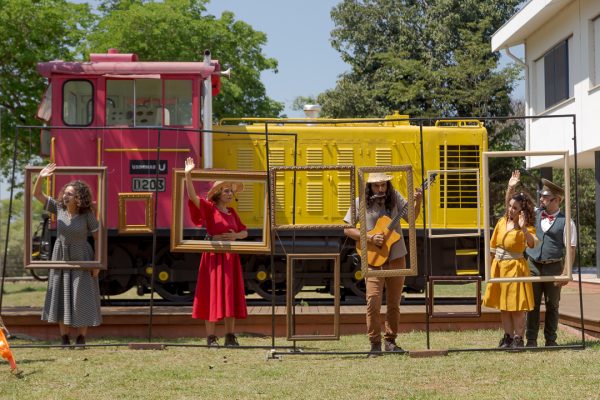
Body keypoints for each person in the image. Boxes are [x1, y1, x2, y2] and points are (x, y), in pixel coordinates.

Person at [343, 172, 422, 357]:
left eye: (383, 185)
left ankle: (391, 341)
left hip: (396, 257)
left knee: (394, 303)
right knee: (373, 302)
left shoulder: (396, 199)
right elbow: (347, 228)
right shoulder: (359, 202)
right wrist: (369, 237)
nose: (380, 189)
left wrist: (417, 201)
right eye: (376, 186)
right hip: (373, 260)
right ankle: (375, 344)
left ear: (388, 186)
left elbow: (411, 219)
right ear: (369, 187)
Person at [33, 163, 102, 348]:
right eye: (66, 192)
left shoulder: (87, 214)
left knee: (82, 295)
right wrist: (41, 176)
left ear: (79, 197)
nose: (65, 195)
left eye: (70, 193)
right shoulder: (59, 208)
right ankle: (64, 338)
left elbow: (98, 237)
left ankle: (81, 338)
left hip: (82, 255)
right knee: (61, 294)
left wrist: (97, 263)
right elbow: (37, 195)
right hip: (61, 254)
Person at [507, 171, 577, 347]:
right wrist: (512, 187)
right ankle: (531, 340)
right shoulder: (535, 214)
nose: (541, 200)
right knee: (532, 304)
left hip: (554, 267)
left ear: (557, 200)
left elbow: (571, 248)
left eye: (546, 198)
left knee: (552, 304)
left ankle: (550, 340)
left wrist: (566, 272)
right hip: (533, 265)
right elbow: (512, 206)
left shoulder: (567, 221)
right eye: (542, 197)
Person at [184, 157, 248, 347]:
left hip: (230, 258)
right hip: (213, 256)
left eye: (231, 191)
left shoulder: (232, 212)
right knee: (211, 294)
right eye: (226, 190)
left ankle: (230, 336)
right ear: (218, 194)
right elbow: (193, 198)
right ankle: (211, 338)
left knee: (230, 294)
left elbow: (245, 231)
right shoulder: (210, 209)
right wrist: (188, 175)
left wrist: (236, 236)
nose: (230, 194)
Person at [483, 181, 537, 348]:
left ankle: (518, 338)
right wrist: (490, 270)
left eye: (514, 208)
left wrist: (523, 229)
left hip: (515, 267)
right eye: (510, 207)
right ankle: (507, 337)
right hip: (499, 267)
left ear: (522, 211)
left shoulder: (525, 226)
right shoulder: (501, 222)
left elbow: (532, 243)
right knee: (504, 306)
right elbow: (492, 248)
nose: (510, 210)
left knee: (517, 306)